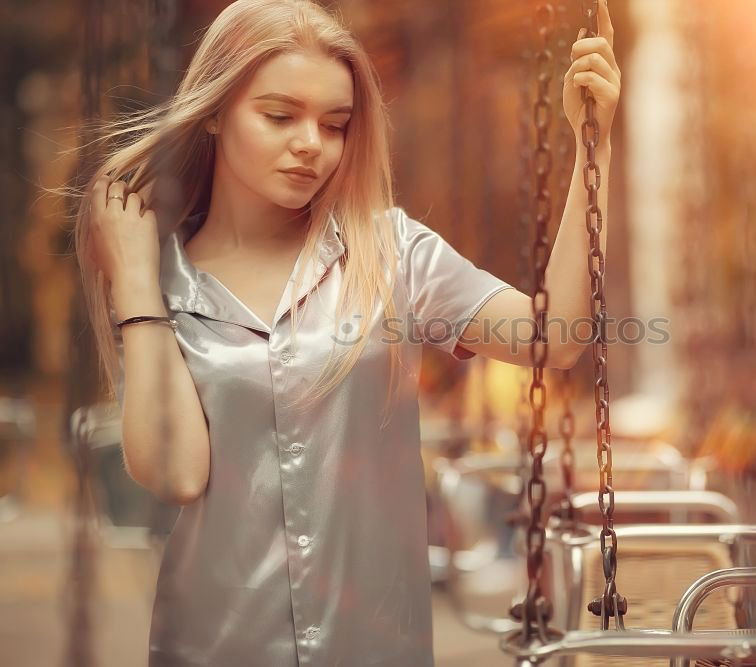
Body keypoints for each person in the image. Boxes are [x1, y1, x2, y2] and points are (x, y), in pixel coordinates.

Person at [71, 0, 619, 664]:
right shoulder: (159, 283)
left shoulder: (392, 254)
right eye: (279, 116)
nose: (311, 144)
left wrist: (594, 142)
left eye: (334, 124)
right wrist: (134, 284)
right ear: (213, 111)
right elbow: (176, 470)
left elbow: (555, 337)